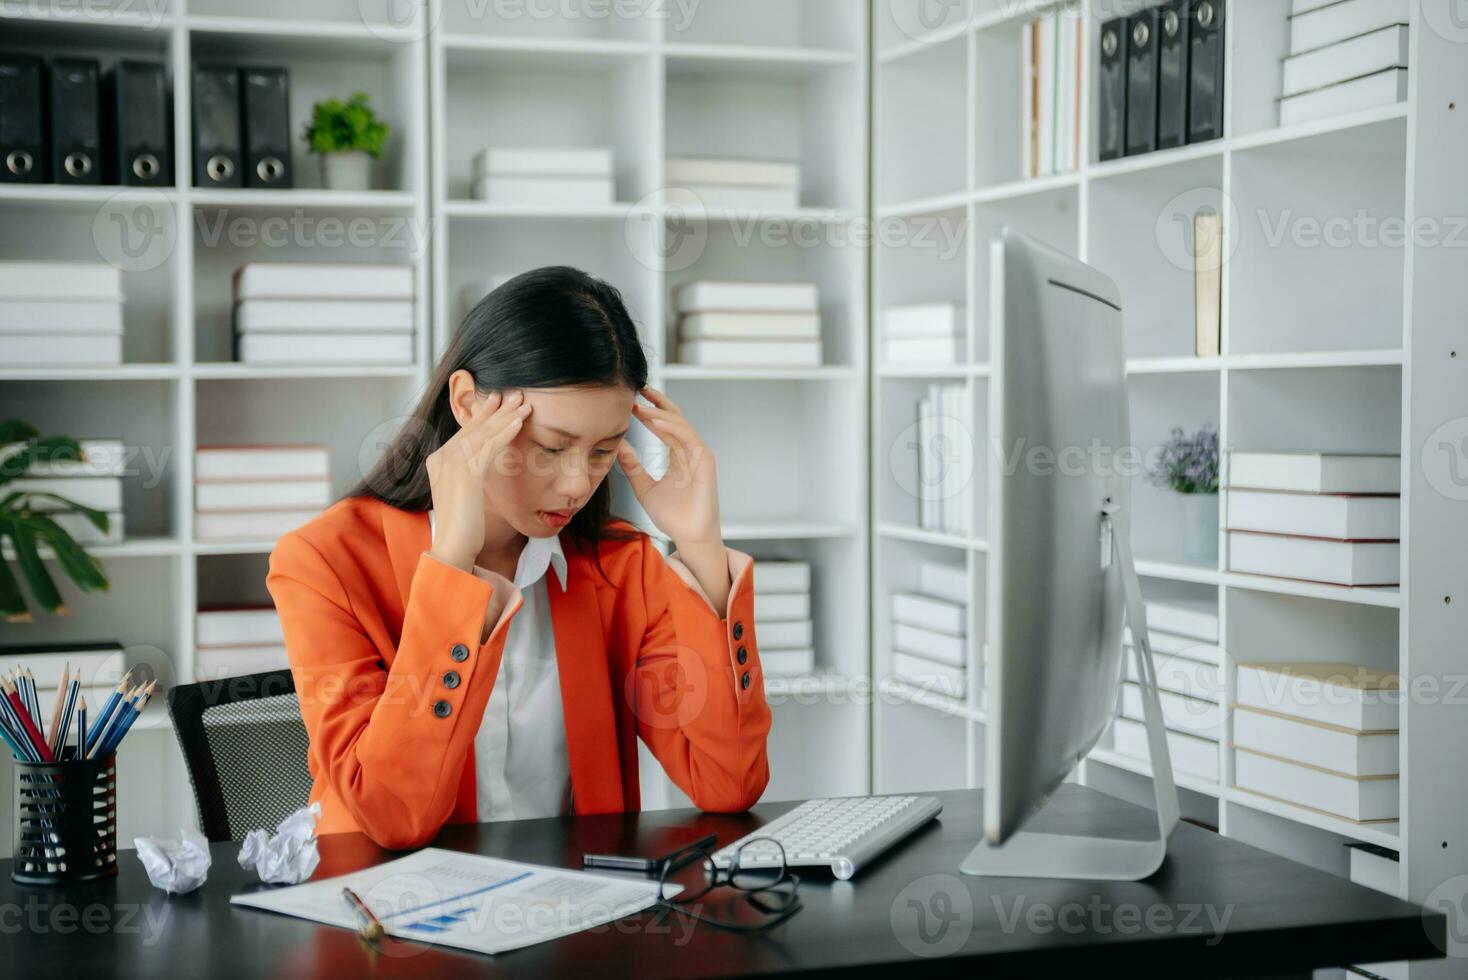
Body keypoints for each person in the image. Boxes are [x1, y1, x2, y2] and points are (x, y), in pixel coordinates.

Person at [265, 266, 771, 849]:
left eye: (604, 450)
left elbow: (728, 783)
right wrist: (451, 567)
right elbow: (391, 816)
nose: (576, 485)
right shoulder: (324, 562)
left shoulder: (619, 565)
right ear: (466, 403)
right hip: (387, 920)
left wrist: (702, 546)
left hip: (578, 916)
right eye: (550, 448)